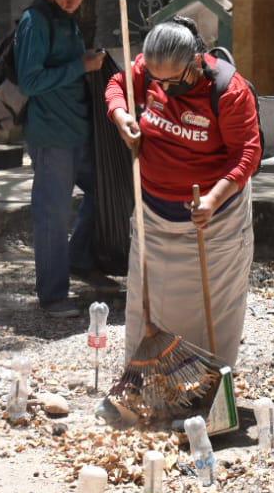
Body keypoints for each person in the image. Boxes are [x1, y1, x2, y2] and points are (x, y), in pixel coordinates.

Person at [105, 19, 262, 368]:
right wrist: (120, 116)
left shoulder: (229, 92)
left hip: (214, 221)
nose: (162, 87)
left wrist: (213, 200)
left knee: (212, 312)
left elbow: (247, 155)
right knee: (146, 304)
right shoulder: (151, 70)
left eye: (173, 82)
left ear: (196, 61)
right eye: (156, 80)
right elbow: (117, 85)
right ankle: (145, 382)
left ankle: (207, 386)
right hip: (154, 213)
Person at [16, 0, 107, 316]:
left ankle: (78, 258)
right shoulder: (34, 21)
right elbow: (30, 81)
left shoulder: (63, 19)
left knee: (107, 189)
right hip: (51, 135)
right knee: (52, 214)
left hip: (78, 130)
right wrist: (80, 65)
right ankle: (53, 295)